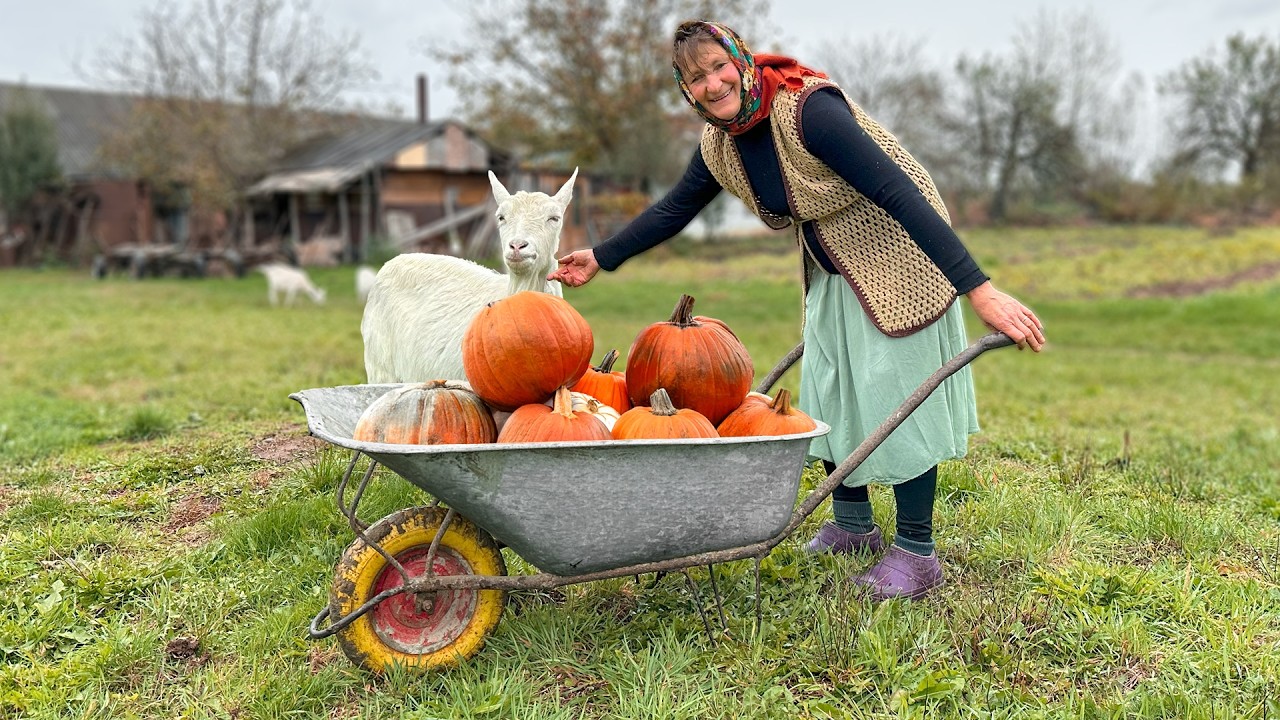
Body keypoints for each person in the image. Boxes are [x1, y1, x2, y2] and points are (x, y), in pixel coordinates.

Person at [549, 20, 1045, 601]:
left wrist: (979, 289)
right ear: (686, 91)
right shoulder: (721, 141)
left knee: (897, 395)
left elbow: (899, 193)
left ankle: (917, 551)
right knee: (835, 389)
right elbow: (676, 208)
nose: (712, 84)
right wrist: (601, 258)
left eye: (717, 67)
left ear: (740, 59)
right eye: (695, 78)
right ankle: (854, 527)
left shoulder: (809, 111)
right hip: (833, 267)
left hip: (900, 258)